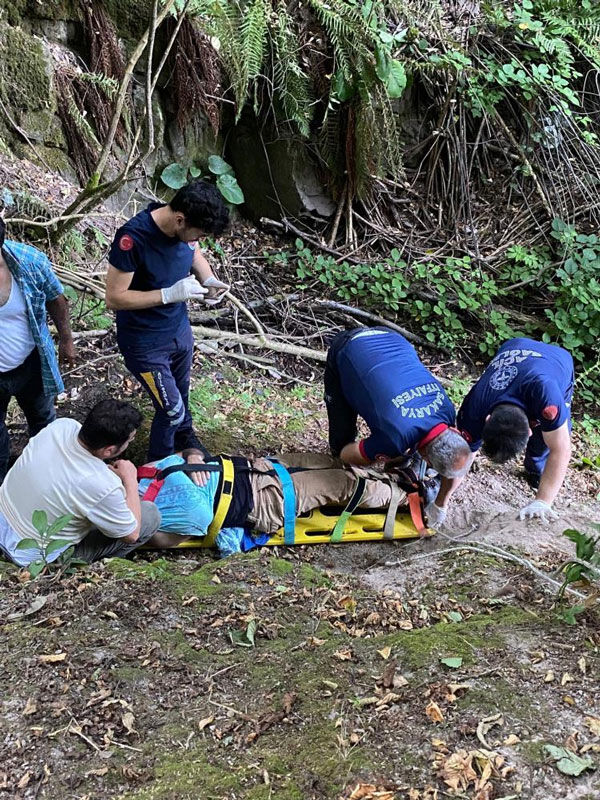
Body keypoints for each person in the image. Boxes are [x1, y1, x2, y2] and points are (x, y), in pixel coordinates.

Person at [104, 180, 230, 470]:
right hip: (145, 343)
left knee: (180, 396)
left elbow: (194, 252)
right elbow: (114, 297)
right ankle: (157, 468)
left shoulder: (185, 230)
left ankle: (188, 443)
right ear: (180, 219)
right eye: (198, 233)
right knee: (171, 409)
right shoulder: (133, 238)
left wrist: (207, 279)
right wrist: (168, 294)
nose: (198, 239)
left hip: (178, 331)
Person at [323, 327, 472, 527]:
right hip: (348, 348)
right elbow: (348, 455)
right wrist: (384, 454)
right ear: (426, 458)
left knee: (402, 446)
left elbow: (454, 461)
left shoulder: (447, 410)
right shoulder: (395, 439)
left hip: (391, 338)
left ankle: (402, 467)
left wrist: (441, 505)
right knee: (341, 442)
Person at [137, 451, 419, 557]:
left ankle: (391, 476)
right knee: (344, 485)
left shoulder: (146, 472)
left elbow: (189, 450)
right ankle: (409, 499)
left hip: (254, 467)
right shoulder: (182, 516)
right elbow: (164, 539)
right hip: (266, 500)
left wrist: (194, 457)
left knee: (331, 461)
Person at [0, 399, 161, 568]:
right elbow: (131, 534)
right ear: (109, 450)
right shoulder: (103, 485)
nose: (129, 444)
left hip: (4, 518)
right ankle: (97, 567)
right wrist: (130, 480)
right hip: (30, 557)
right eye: (129, 440)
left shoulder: (61, 427)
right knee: (149, 515)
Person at [457, 338, 574, 522]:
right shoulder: (475, 406)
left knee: (546, 440)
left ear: (530, 430)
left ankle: (535, 469)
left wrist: (543, 501)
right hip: (515, 346)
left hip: (557, 361)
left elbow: (561, 449)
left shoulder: (548, 397)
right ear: (487, 419)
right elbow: (466, 450)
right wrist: (442, 502)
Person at [0, 217, 75, 484]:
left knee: (43, 421)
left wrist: (66, 340)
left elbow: (57, 299)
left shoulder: (29, 262)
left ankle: (48, 479)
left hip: (30, 362)